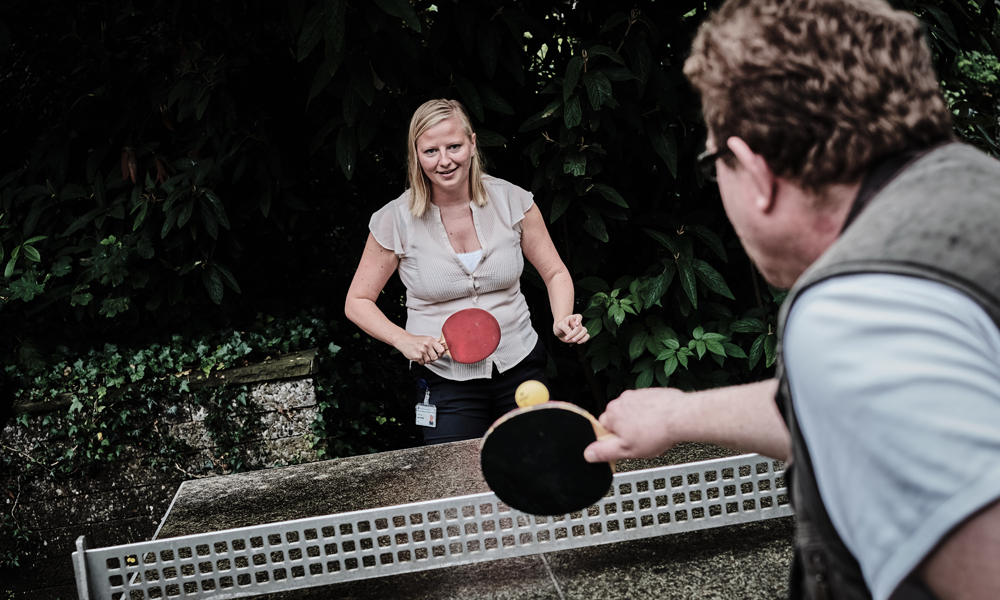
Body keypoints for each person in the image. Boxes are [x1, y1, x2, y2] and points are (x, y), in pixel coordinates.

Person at [584, 1, 1000, 599]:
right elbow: (860, 410)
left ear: (754, 171)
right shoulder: (972, 195)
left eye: (712, 163)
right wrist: (676, 415)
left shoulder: (859, 311)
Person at [345, 99, 589, 445]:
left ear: (473, 144)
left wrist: (562, 318)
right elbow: (357, 300)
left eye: (454, 146)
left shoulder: (513, 201)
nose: (444, 161)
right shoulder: (394, 220)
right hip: (445, 379)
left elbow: (555, 272)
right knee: (456, 486)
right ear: (416, 155)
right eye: (431, 151)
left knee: (535, 470)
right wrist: (404, 340)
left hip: (519, 364)